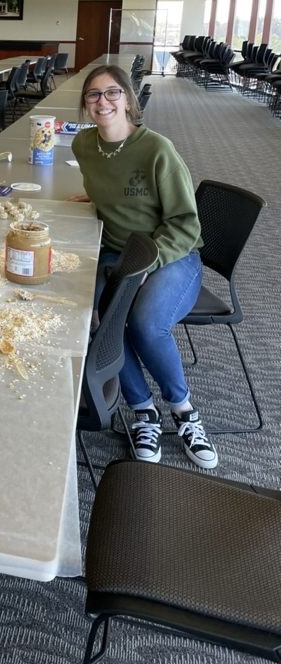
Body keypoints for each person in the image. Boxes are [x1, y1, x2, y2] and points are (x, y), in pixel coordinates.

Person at [70, 64, 217, 469]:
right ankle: (143, 411)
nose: (104, 102)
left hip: (171, 254)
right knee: (94, 318)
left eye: (113, 92)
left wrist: (151, 264)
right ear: (85, 104)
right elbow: (107, 186)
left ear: (129, 100)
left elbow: (187, 224)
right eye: (94, 95)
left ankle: (184, 410)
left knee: (145, 321)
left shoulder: (157, 150)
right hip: (116, 255)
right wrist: (96, 202)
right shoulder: (84, 146)